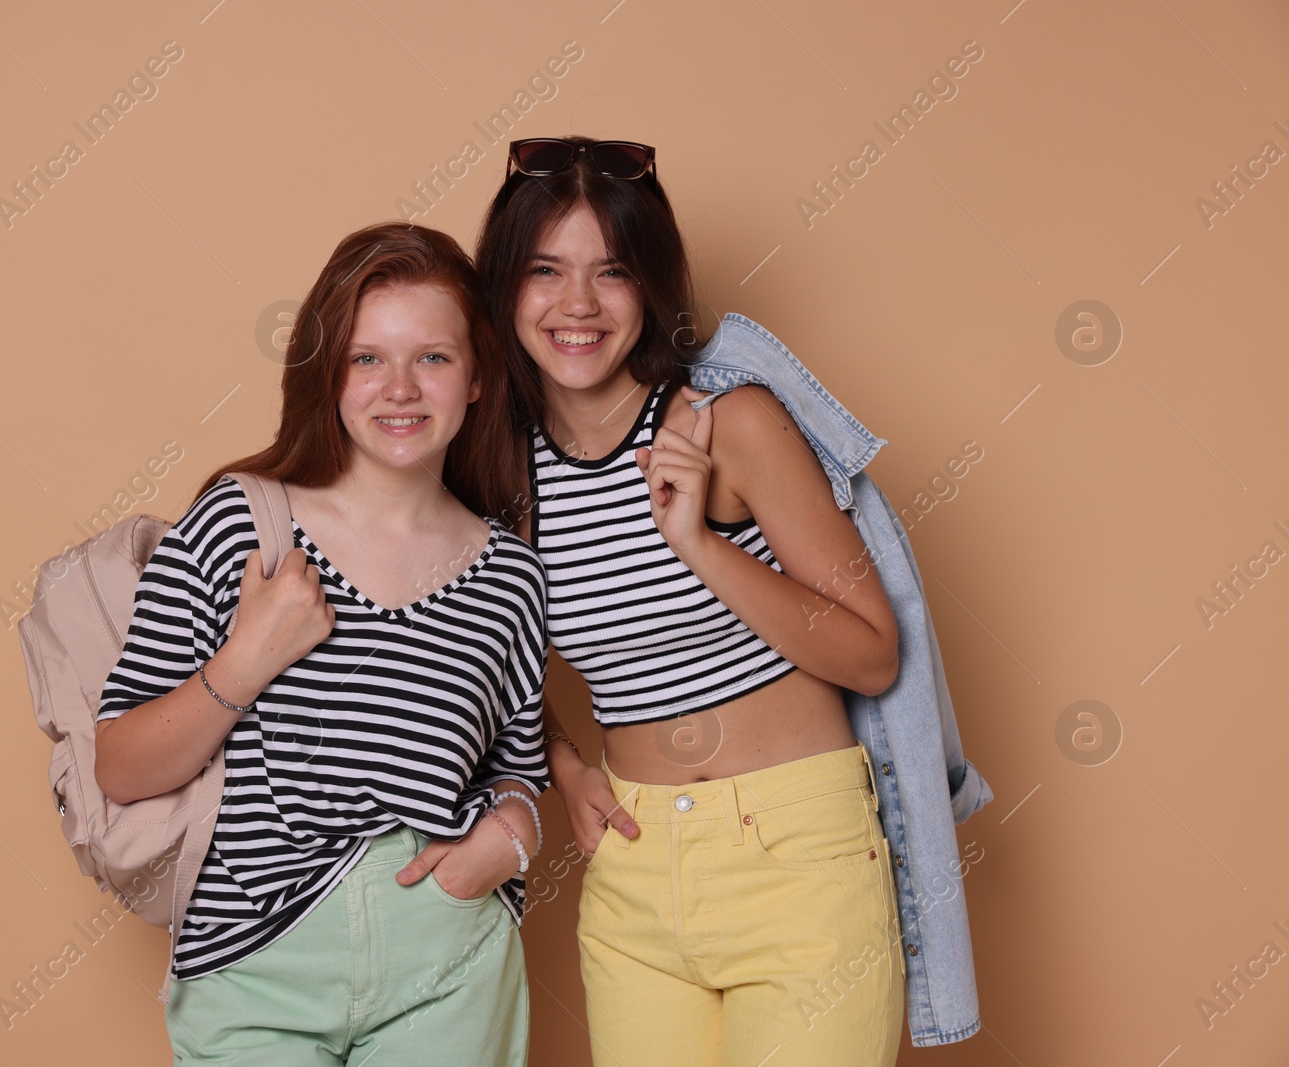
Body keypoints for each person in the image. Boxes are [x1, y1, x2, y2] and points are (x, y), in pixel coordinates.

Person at [475, 137, 910, 1065]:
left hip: (796, 861)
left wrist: (701, 546)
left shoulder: (731, 424)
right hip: (635, 874)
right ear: (505, 286)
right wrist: (564, 764)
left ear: (653, 285)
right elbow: (477, 656)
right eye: (546, 270)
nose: (578, 305)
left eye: (613, 272)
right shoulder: (501, 470)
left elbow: (875, 651)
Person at [94, 222, 550, 1066]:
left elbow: (515, 767)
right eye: (367, 357)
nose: (400, 389)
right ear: (328, 372)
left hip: (446, 954)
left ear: (479, 376)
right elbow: (120, 766)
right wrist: (248, 657)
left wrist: (508, 841)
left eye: (434, 358)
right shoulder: (241, 526)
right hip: (252, 960)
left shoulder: (510, 576)